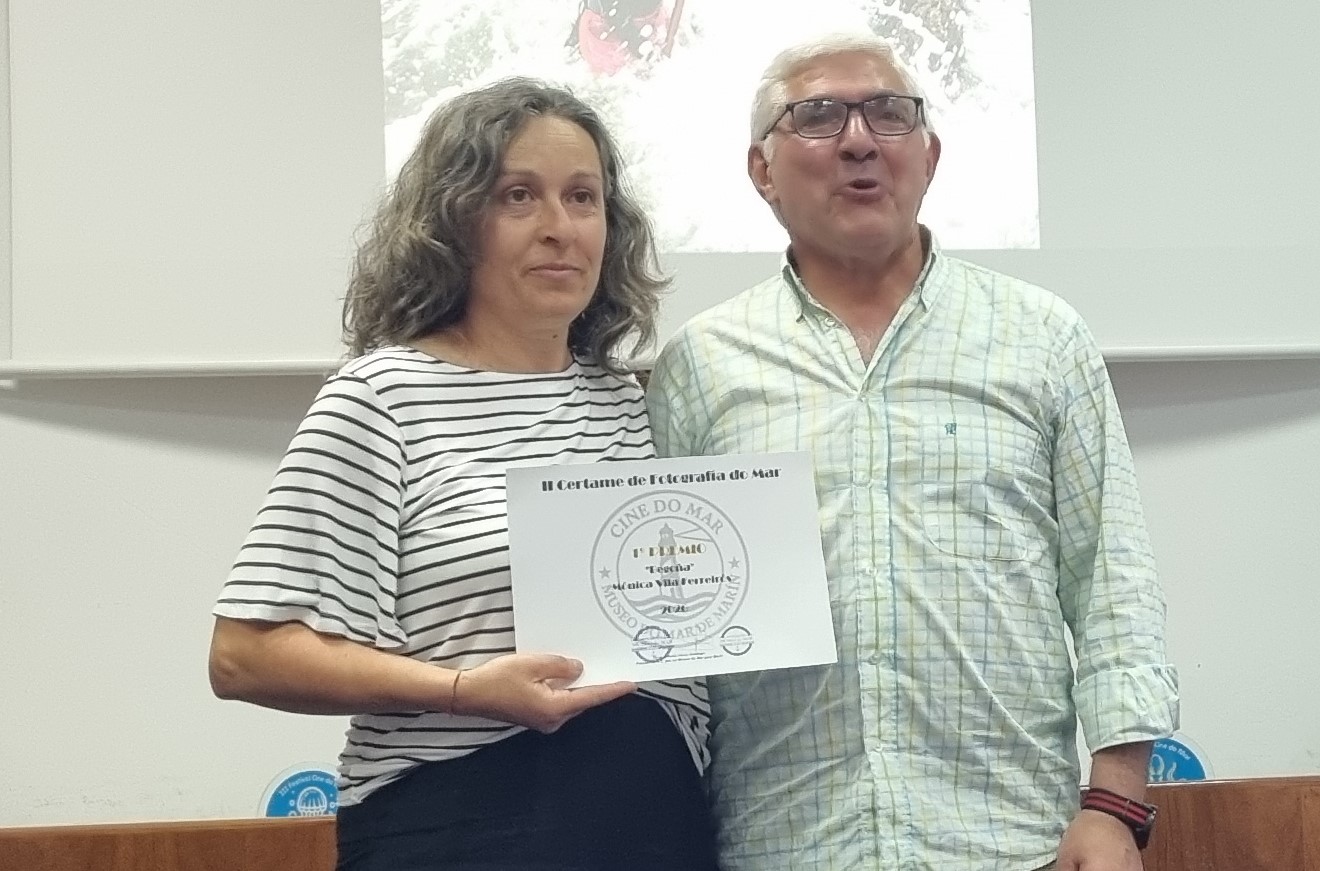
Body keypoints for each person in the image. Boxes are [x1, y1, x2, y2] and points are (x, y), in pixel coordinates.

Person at [645, 33, 1180, 871]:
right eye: (817, 116)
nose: (859, 140)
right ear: (761, 170)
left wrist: (1115, 805)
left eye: (889, 114)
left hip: (1012, 842)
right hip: (786, 844)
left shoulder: (1042, 337)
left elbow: (1112, 581)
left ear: (929, 156)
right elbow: (671, 630)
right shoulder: (700, 365)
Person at [209, 77, 717, 871]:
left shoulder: (633, 401)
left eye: (582, 197)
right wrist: (463, 688)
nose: (559, 227)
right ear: (454, 220)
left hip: (656, 823)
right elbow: (245, 654)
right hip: (461, 823)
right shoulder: (381, 398)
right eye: (519, 196)